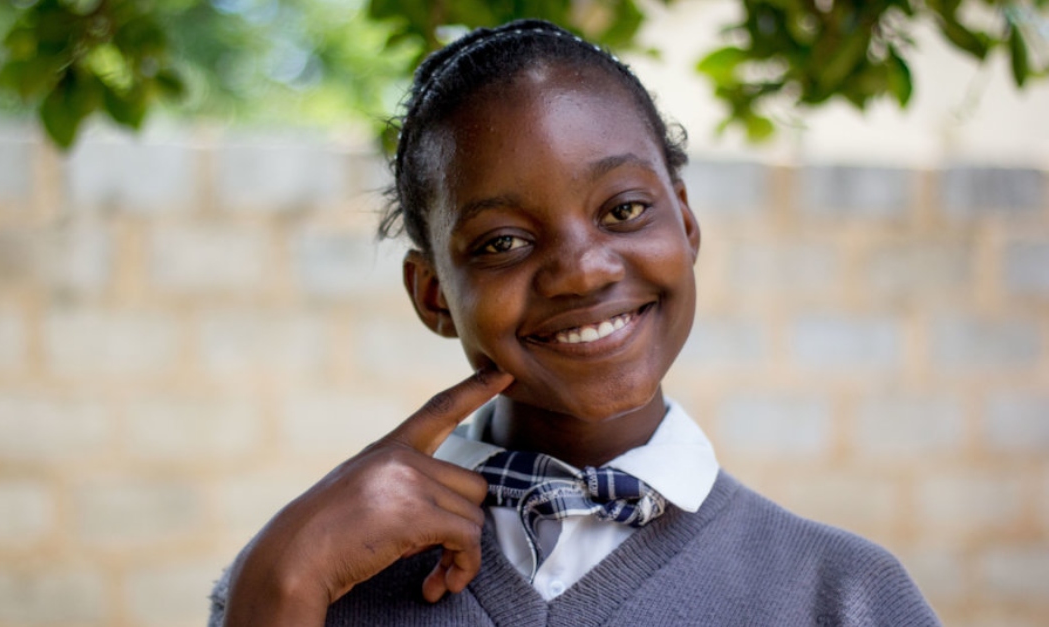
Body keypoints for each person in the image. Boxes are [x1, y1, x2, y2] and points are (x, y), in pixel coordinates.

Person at [208, 19, 940, 626]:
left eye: (624, 210)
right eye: (503, 243)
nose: (584, 270)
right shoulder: (309, 581)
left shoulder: (844, 596)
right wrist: (277, 588)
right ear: (432, 293)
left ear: (685, 223)